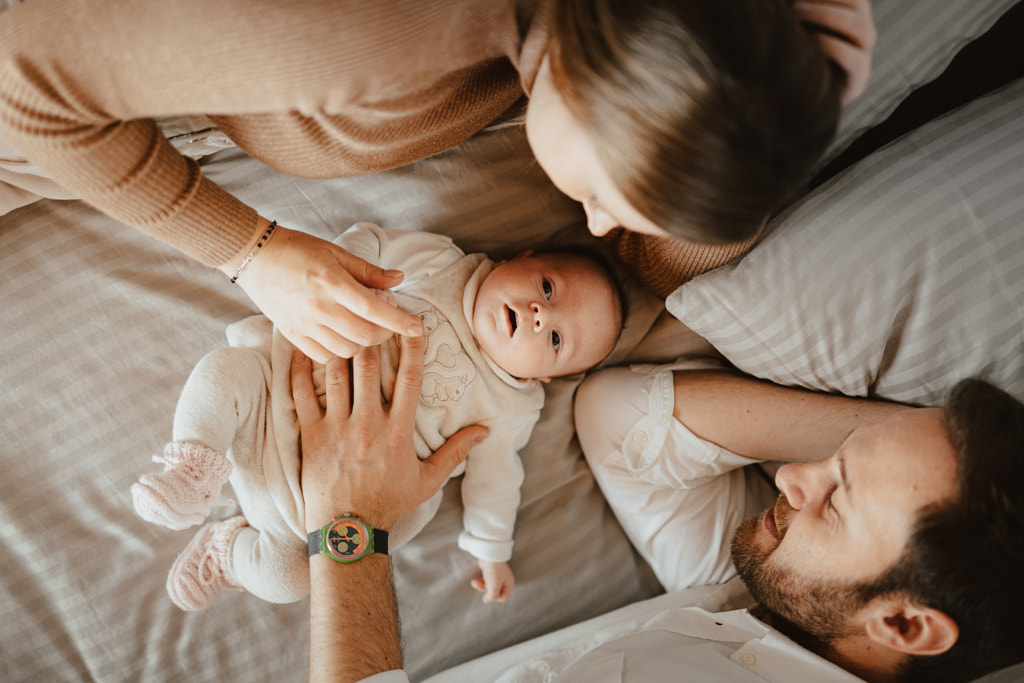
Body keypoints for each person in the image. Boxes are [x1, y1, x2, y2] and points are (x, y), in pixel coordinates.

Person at [0, 0, 875, 362]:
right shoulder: (363, 41)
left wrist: (802, 65)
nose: (600, 227)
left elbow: (685, 240)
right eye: (604, 194)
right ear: (581, 84)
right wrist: (249, 250)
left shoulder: (779, 34)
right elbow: (22, 77)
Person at [295, 345, 1024, 682]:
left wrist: (350, 520)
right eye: (831, 457)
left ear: (903, 623)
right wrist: (881, 452)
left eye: (835, 501)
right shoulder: (783, 607)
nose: (793, 476)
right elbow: (624, 422)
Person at [131, 222, 624, 609]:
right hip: (276, 399)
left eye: (556, 340)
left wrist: (492, 551)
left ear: (546, 379)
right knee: (226, 373)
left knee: (293, 580)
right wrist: (357, 275)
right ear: (522, 258)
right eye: (548, 288)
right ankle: (192, 470)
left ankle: (226, 554)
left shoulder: (513, 409)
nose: (540, 315)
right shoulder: (439, 262)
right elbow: (366, 241)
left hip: (314, 511)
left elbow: (496, 483)